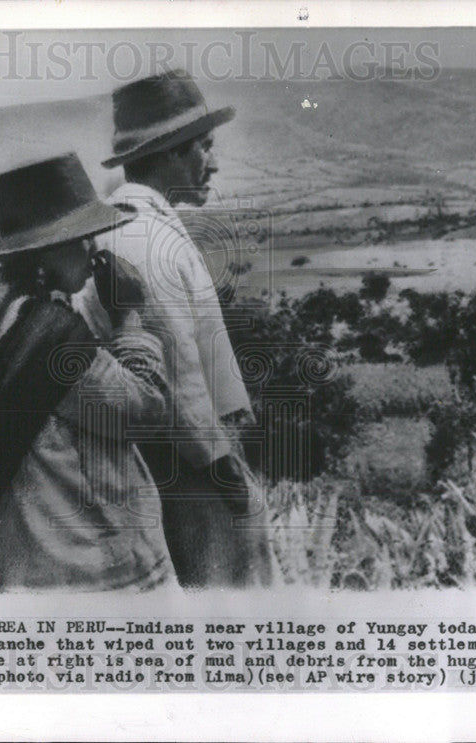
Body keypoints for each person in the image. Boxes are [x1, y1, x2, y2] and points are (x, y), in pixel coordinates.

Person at [0, 153, 176, 591]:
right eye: (80, 238)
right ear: (43, 249)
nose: (92, 251)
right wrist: (128, 319)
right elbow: (145, 412)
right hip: (85, 562)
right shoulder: (52, 337)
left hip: (19, 556)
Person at [99, 69, 274, 587]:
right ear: (172, 152)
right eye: (204, 147)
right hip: (185, 468)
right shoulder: (142, 236)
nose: (213, 162)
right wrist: (226, 475)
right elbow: (177, 383)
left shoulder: (140, 224)